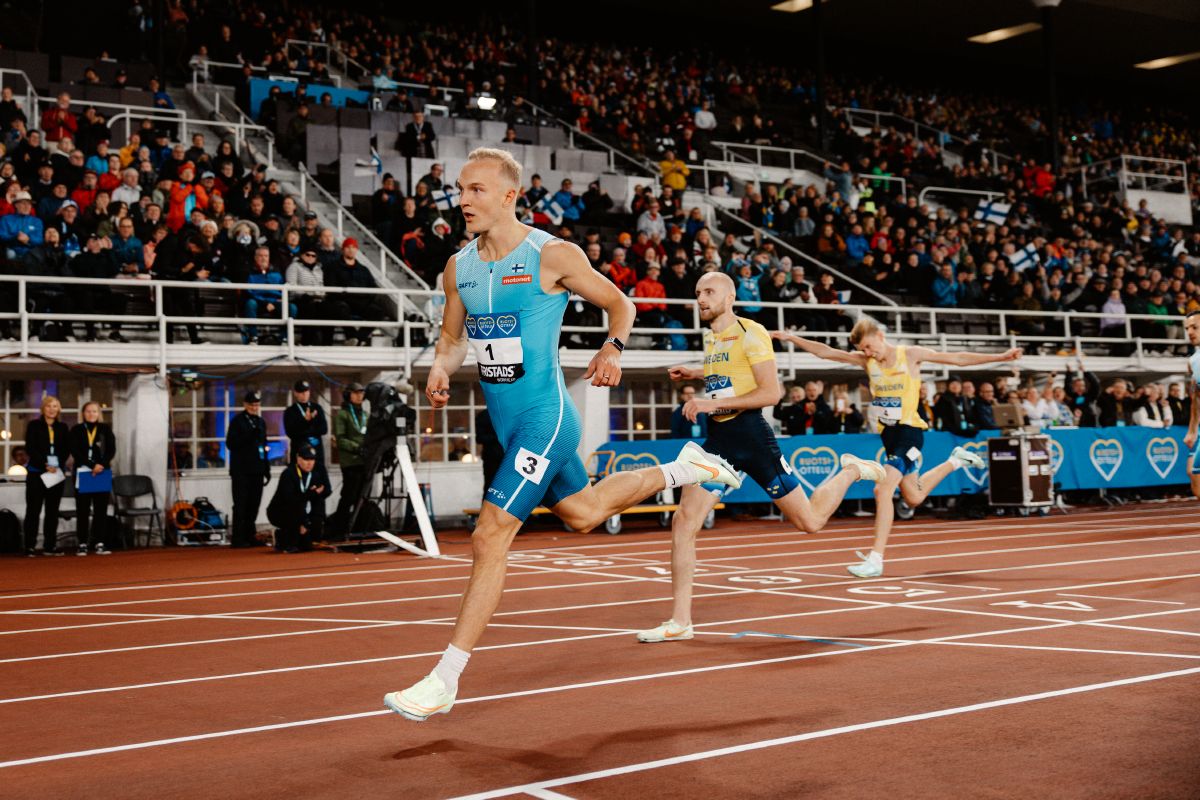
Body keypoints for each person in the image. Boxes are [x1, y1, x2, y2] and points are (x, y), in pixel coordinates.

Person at [383, 148, 741, 722]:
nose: (462, 199)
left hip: (545, 419)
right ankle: (687, 469)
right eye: (459, 188)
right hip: (505, 423)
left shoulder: (550, 254)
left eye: (476, 190)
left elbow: (619, 304)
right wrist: (442, 368)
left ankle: (444, 678)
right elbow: (452, 337)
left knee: (490, 533)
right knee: (581, 512)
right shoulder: (459, 267)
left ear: (507, 195)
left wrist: (612, 347)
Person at [633, 273, 884, 645]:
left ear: (731, 295)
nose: (701, 298)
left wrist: (708, 402)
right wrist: (697, 372)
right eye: (698, 292)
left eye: (710, 292)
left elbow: (770, 393)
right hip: (718, 442)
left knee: (810, 522)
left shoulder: (752, 331)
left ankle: (852, 470)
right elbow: (730, 374)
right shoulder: (713, 338)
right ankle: (680, 620)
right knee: (684, 522)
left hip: (752, 437)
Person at [774, 319, 1020, 578]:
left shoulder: (910, 355)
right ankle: (956, 461)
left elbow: (957, 358)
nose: (868, 353)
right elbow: (826, 352)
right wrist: (792, 338)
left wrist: (1001, 356)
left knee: (882, 489)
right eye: (863, 349)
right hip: (889, 436)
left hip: (910, 433)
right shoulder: (867, 361)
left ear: (880, 335)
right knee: (914, 496)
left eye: (869, 346)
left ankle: (876, 559)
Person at [23, 395, 71, 556]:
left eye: (55, 406)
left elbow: (66, 449)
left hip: (56, 474)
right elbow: (30, 447)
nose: (52, 409)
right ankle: (29, 545)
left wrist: (56, 465)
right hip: (37, 473)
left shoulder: (63, 427)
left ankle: (50, 546)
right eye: (49, 406)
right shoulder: (34, 425)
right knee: (33, 510)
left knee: (52, 511)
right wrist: (45, 463)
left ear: (59, 409)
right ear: (43, 408)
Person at [68, 401, 115, 556]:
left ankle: (99, 542)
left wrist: (100, 465)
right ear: (83, 413)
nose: (91, 414)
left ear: (99, 413)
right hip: (83, 472)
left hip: (102, 472)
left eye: (94, 411)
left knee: (100, 510)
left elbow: (111, 450)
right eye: (88, 411)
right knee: (82, 509)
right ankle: (82, 542)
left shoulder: (105, 429)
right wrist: (91, 465)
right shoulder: (76, 430)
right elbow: (75, 451)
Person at [225, 389, 270, 548]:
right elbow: (231, 444)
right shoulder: (237, 421)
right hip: (241, 471)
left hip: (257, 469)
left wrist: (267, 468)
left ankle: (250, 535)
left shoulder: (260, 422)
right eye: (251, 404)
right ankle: (238, 537)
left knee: (254, 504)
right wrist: (249, 436)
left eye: (257, 404)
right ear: (245, 404)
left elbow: (264, 447)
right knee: (241, 504)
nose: (254, 407)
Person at [266, 444, 329, 553]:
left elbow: (319, 497)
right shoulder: (288, 474)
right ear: (298, 459)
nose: (310, 463)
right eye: (306, 459)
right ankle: (282, 536)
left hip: (300, 513)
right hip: (280, 512)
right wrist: (302, 523)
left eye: (312, 459)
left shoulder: (315, 475)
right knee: (292, 544)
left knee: (307, 546)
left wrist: (314, 523)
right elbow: (290, 500)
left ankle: (295, 534)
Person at [331, 382, 367, 535]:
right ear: (348, 395)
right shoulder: (342, 414)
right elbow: (340, 439)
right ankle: (339, 529)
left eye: (361, 393)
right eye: (356, 393)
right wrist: (357, 447)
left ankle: (358, 527)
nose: (360, 396)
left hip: (364, 462)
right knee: (348, 496)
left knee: (361, 496)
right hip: (350, 462)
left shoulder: (365, 415)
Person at [283, 380, 328, 463]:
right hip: (299, 453)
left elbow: (324, 429)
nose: (304, 394)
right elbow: (291, 432)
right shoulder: (290, 411)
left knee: (318, 474)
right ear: (295, 393)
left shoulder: (317, 408)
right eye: (301, 391)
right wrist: (305, 421)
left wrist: (306, 429)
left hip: (316, 453)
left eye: (306, 391)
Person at [1182, 313, 1200, 503]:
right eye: (1187, 328)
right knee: (1193, 474)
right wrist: (1192, 430)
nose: (1190, 332)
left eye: (1194, 327)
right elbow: (1196, 396)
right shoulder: (1193, 361)